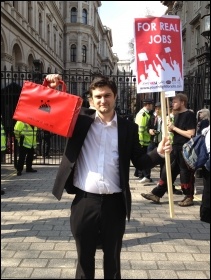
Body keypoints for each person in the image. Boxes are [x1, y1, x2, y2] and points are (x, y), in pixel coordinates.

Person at [47, 74, 172, 279]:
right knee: (84, 260)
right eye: (98, 96)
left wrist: (157, 152)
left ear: (115, 96)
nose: (102, 100)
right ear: (91, 99)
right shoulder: (79, 121)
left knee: (112, 260)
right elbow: (53, 111)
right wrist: (53, 87)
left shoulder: (127, 128)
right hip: (85, 201)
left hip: (115, 203)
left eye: (107, 95)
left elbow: (140, 161)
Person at [141, 93, 196, 206]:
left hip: (185, 149)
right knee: (167, 171)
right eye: (172, 101)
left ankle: (188, 196)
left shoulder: (189, 114)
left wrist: (174, 128)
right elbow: (177, 131)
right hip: (175, 148)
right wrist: (170, 130)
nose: (172, 103)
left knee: (185, 173)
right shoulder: (175, 115)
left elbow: (191, 134)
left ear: (182, 102)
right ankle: (156, 194)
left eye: (175, 101)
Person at [134, 99, 154, 183]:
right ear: (147, 105)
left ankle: (140, 174)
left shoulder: (145, 113)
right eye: (151, 105)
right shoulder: (143, 115)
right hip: (143, 141)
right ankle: (146, 176)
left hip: (144, 140)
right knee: (146, 159)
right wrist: (141, 142)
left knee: (142, 158)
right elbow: (140, 129)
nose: (152, 106)